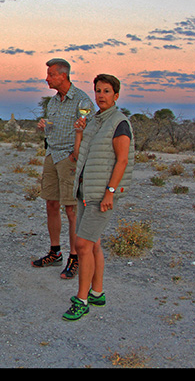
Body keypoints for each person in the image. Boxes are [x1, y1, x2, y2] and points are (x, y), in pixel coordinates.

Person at [62, 74, 134, 321]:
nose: (101, 95)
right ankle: (97, 292)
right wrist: (80, 133)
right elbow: (79, 154)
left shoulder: (119, 123)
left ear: (116, 95)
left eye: (106, 91)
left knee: (82, 245)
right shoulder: (94, 121)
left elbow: (122, 160)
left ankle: (81, 300)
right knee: (93, 243)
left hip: (101, 195)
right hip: (85, 191)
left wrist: (110, 193)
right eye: (98, 91)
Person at [33, 58, 94, 279]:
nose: (47, 78)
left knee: (71, 210)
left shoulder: (82, 100)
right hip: (52, 154)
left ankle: (74, 257)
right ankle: (55, 251)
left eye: (50, 74)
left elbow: (88, 131)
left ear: (63, 75)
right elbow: (56, 127)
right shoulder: (53, 103)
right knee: (51, 203)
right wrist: (45, 126)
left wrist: (75, 155)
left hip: (69, 158)